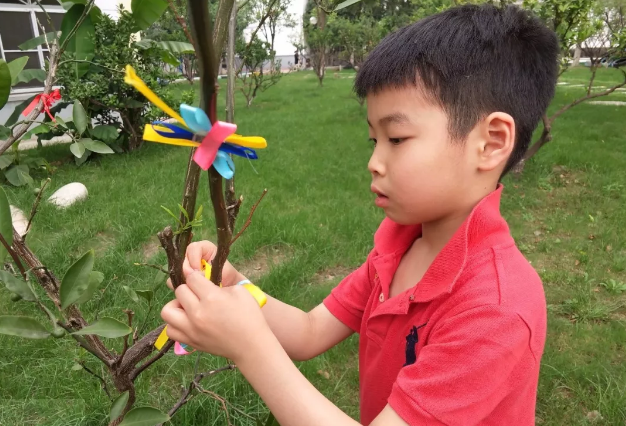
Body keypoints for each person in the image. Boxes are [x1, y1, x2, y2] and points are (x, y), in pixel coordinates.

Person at [161, 4, 558, 425]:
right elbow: (310, 330)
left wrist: (249, 348)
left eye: (397, 138)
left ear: (492, 142)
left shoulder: (495, 309)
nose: (374, 161)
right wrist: (236, 285)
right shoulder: (396, 251)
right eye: (374, 140)